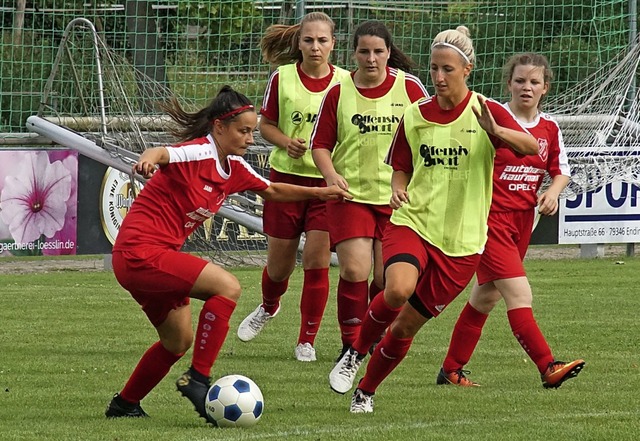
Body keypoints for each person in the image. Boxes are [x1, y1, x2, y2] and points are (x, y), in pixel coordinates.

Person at [104, 86, 351, 421]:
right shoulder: (198, 153)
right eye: (243, 131)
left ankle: (124, 404)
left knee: (177, 342)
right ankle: (198, 379)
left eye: (252, 131)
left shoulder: (234, 168)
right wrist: (148, 158)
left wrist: (323, 193)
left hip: (154, 259)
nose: (251, 138)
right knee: (228, 287)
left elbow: (274, 190)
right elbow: (162, 153)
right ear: (219, 127)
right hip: (139, 253)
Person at [327, 26, 540, 413]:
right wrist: (396, 186)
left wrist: (500, 132)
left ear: (467, 70)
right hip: (414, 222)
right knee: (396, 290)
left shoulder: (485, 111)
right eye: (434, 69)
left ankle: (366, 392)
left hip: (462, 243)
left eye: (447, 70)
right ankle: (355, 352)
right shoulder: (416, 114)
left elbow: (532, 149)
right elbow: (402, 167)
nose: (439, 78)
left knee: (406, 326)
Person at [437, 53, 584, 389]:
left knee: (485, 297)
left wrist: (553, 192)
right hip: (488, 220)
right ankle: (549, 366)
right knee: (520, 293)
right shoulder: (492, 120)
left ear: (545, 87)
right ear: (509, 84)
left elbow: (560, 171)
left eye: (534, 82)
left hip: (521, 224)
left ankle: (450, 370)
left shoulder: (549, 128)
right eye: (519, 81)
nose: (526, 87)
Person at [310, 20, 428, 363]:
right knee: (354, 271)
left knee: (384, 280)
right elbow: (320, 145)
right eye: (364, 51)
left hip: (397, 199)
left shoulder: (410, 89)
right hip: (352, 197)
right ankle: (350, 345)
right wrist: (331, 175)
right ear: (354, 54)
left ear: (389, 53)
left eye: (378, 51)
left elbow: (432, 130)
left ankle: (368, 336)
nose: (371, 58)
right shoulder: (339, 91)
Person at [236, 12, 350, 363]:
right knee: (279, 267)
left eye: (322, 40)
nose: (316, 47)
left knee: (317, 260)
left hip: (326, 183)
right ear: (298, 43)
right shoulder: (282, 78)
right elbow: (266, 125)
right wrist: (286, 143)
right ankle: (269, 306)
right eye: (309, 40)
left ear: (334, 44)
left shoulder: (347, 81)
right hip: (285, 181)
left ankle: (307, 340)